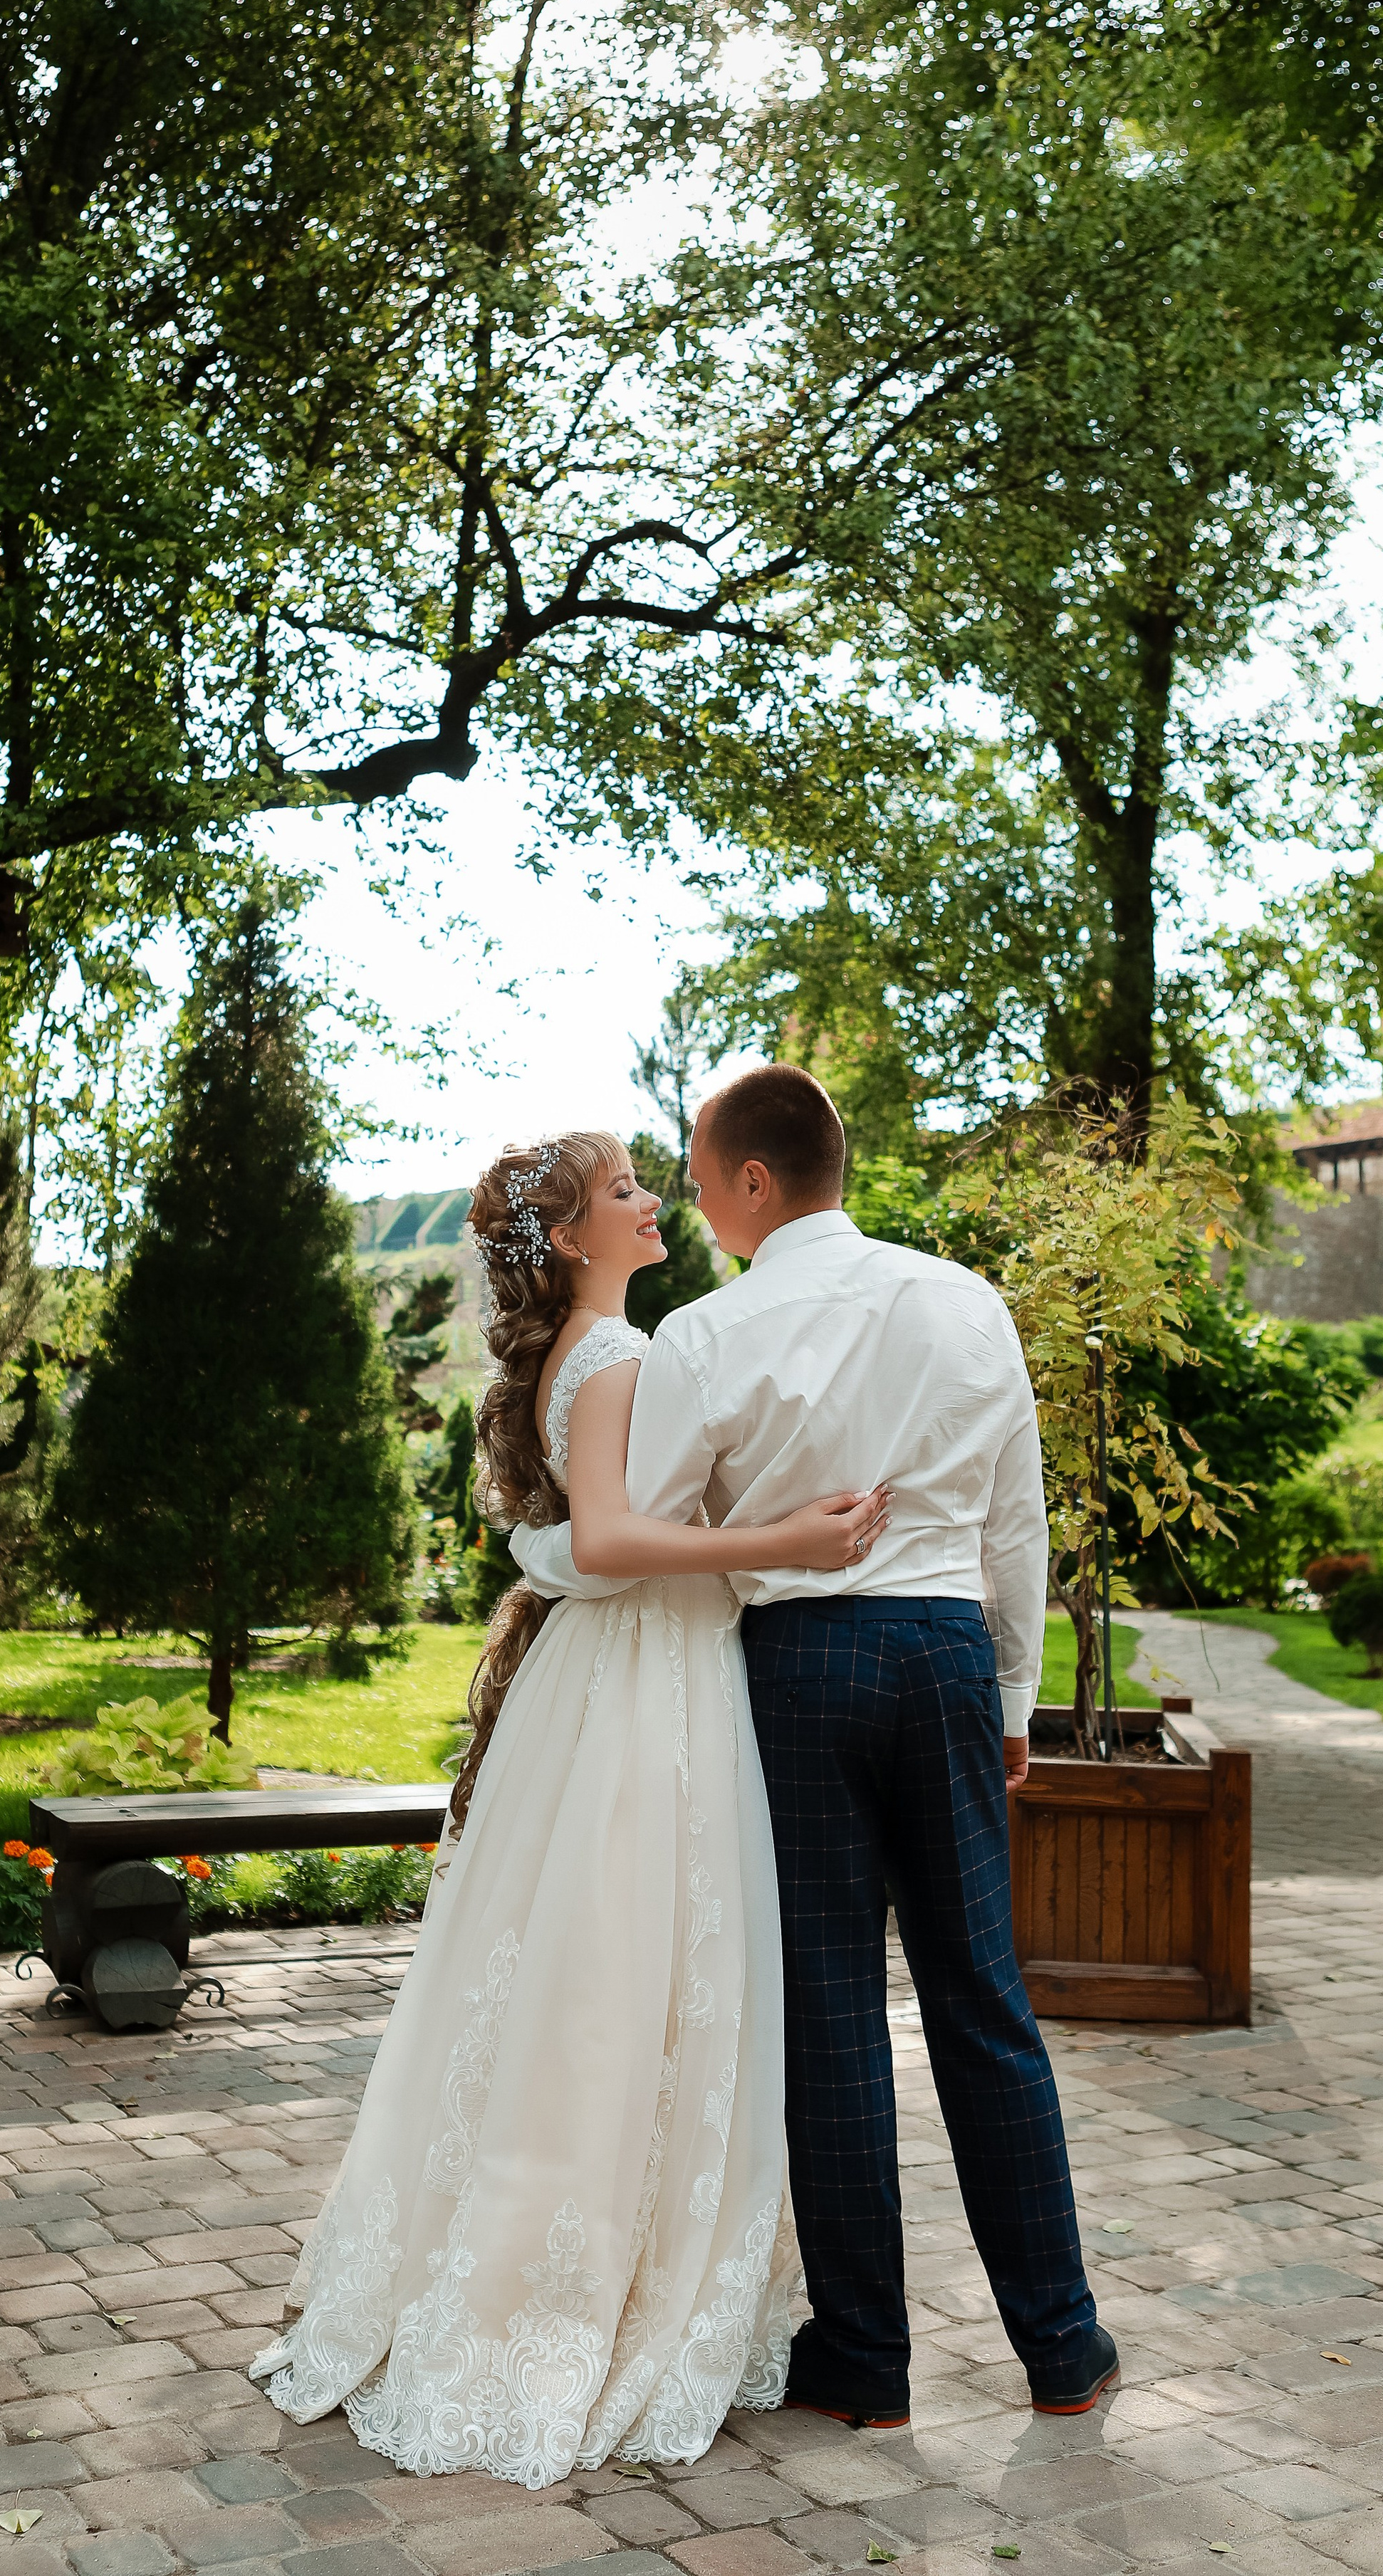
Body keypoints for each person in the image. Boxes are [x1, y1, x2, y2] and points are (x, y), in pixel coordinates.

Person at [251, 1131, 889, 2486]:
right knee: (623, 1979)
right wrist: (787, 1540)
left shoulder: (586, 1358)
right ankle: (577, 2291)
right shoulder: (616, 1359)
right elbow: (603, 1543)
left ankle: (581, 2250)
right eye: (623, 1193)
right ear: (575, 1242)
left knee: (593, 1980)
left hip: (623, 1674)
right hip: (644, 1683)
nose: (653, 1200)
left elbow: (586, 1538)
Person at [514, 1064, 1115, 2429]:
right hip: (949, 1655)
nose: (699, 1207)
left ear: (754, 1183)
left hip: (802, 1670)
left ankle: (867, 2361)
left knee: (831, 2012)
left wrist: (538, 1550)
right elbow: (1016, 1525)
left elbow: (635, 1535)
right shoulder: (966, 1301)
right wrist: (1012, 1701)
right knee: (984, 2003)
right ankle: (1064, 2349)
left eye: (704, 1179)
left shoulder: (717, 1336)